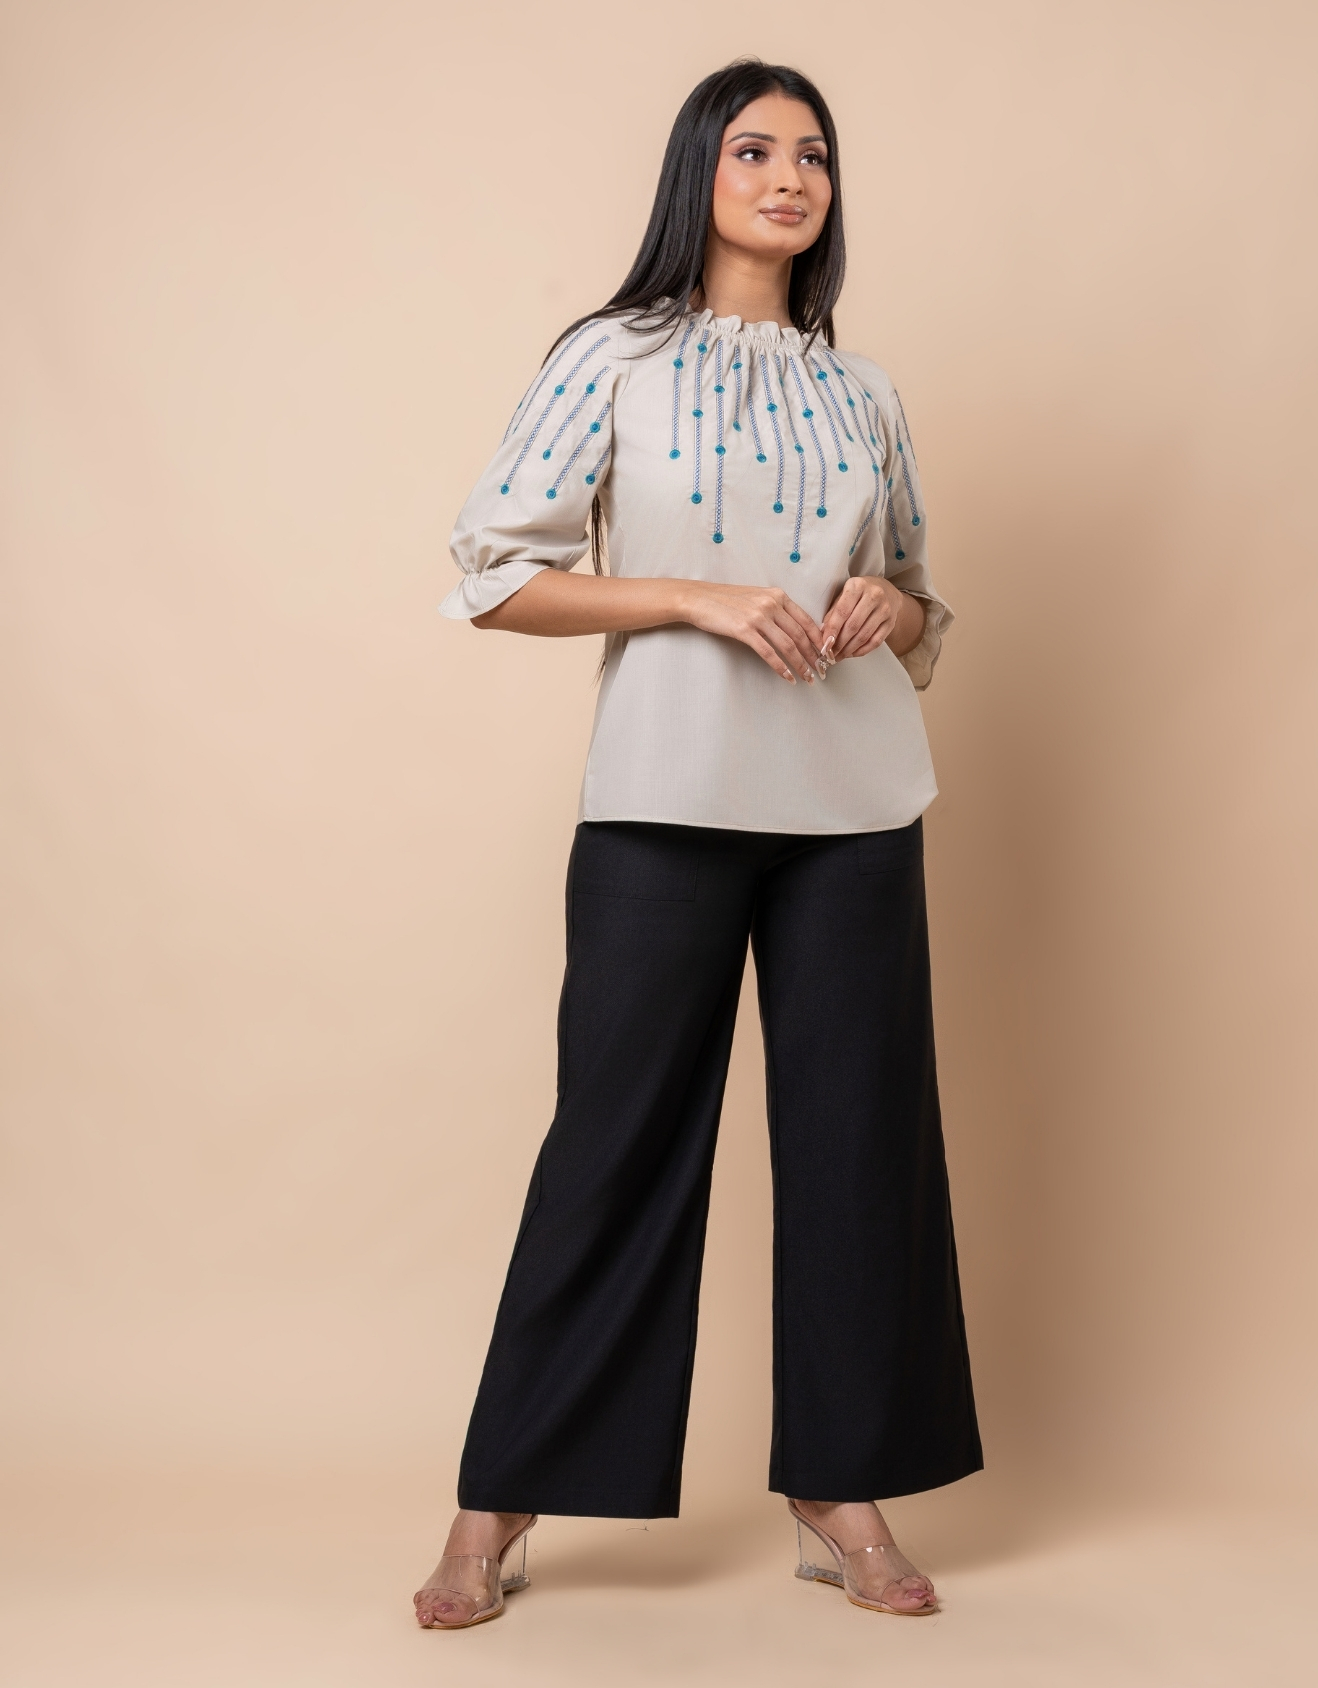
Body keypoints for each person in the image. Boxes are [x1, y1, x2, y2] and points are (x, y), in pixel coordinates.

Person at [414, 58, 982, 1630]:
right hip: (664, 795)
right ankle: (496, 1503)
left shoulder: (862, 392)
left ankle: (839, 1492)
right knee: (612, 1146)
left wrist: (886, 607)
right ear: (699, 175)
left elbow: (921, 597)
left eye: (813, 154)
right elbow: (494, 570)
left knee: (859, 1153)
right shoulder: (611, 358)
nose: (789, 177)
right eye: (753, 150)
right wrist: (688, 596)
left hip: (854, 810)